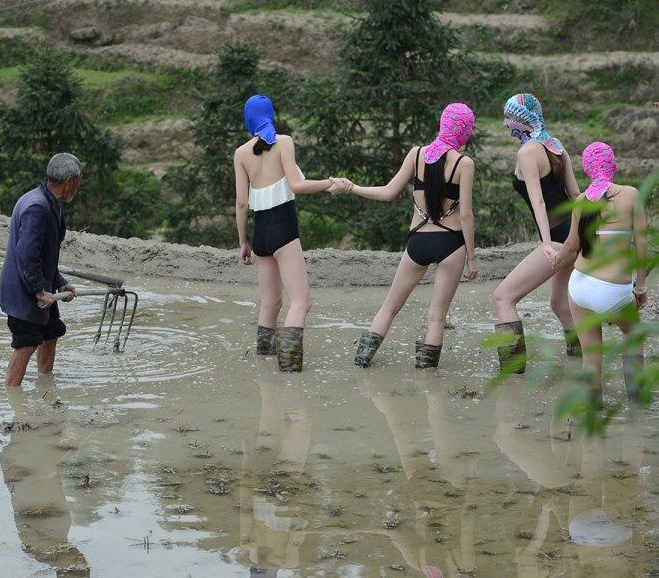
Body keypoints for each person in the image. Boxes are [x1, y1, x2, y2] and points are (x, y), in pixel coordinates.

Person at [345, 103, 478, 368]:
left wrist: (353, 188)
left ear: (443, 123)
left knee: (389, 307)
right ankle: (428, 379)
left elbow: (387, 192)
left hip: (418, 240)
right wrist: (471, 258)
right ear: (465, 130)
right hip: (451, 243)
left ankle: (361, 361)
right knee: (437, 317)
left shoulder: (417, 154)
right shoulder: (464, 163)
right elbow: (465, 215)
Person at [234, 94, 350, 373]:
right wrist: (329, 183)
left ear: (249, 119)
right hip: (283, 229)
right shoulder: (283, 141)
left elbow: (240, 203)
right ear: (271, 114)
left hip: (260, 233)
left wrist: (243, 242)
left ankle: (264, 366)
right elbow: (296, 185)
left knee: (270, 304)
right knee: (301, 302)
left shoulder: (240, 153)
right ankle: (287, 368)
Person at [548, 142, 648, 403]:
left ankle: (593, 415)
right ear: (613, 164)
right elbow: (641, 247)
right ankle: (637, 408)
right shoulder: (631, 195)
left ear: (588, 169)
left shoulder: (582, 201)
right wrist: (640, 287)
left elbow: (571, 247)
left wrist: (555, 258)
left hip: (580, 286)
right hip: (614, 290)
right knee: (633, 334)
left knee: (591, 355)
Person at [492, 93, 581, 373]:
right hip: (573, 234)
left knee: (503, 297)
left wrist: (546, 243)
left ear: (522, 119)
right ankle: (584, 364)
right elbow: (577, 195)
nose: (505, 124)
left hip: (556, 237)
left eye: (509, 117)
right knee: (560, 304)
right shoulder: (555, 146)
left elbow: (539, 202)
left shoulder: (527, 152)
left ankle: (513, 373)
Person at [0, 153, 81, 388]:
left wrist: (60, 282)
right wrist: (38, 290)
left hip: (39, 286)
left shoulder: (47, 202)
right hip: (24, 291)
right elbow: (27, 254)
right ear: (69, 181)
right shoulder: (37, 207)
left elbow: (46, 256)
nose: (78, 185)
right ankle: (12, 395)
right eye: (79, 180)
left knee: (51, 333)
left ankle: (45, 383)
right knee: (26, 344)